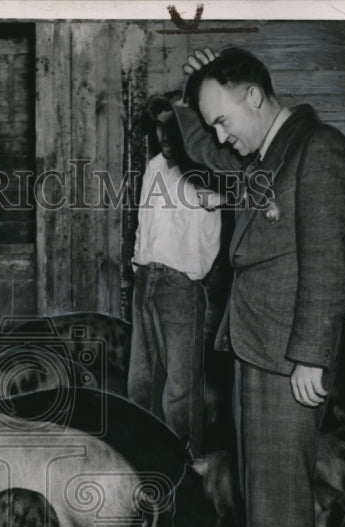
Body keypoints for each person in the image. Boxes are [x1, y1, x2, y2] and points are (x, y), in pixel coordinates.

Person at [171, 47, 345, 527]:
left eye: (223, 118)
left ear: (254, 95)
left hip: (288, 356)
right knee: (265, 499)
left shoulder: (320, 149)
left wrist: (313, 353)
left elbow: (331, 260)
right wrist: (188, 96)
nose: (222, 133)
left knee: (278, 506)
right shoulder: (264, 158)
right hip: (257, 346)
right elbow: (205, 156)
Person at [127, 92, 222, 457]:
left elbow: (239, 194)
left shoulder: (207, 172)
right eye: (159, 128)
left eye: (174, 129)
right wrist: (138, 266)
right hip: (145, 281)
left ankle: (189, 470)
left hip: (181, 287)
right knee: (141, 383)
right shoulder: (153, 167)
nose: (164, 137)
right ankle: (147, 463)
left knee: (180, 392)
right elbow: (143, 225)